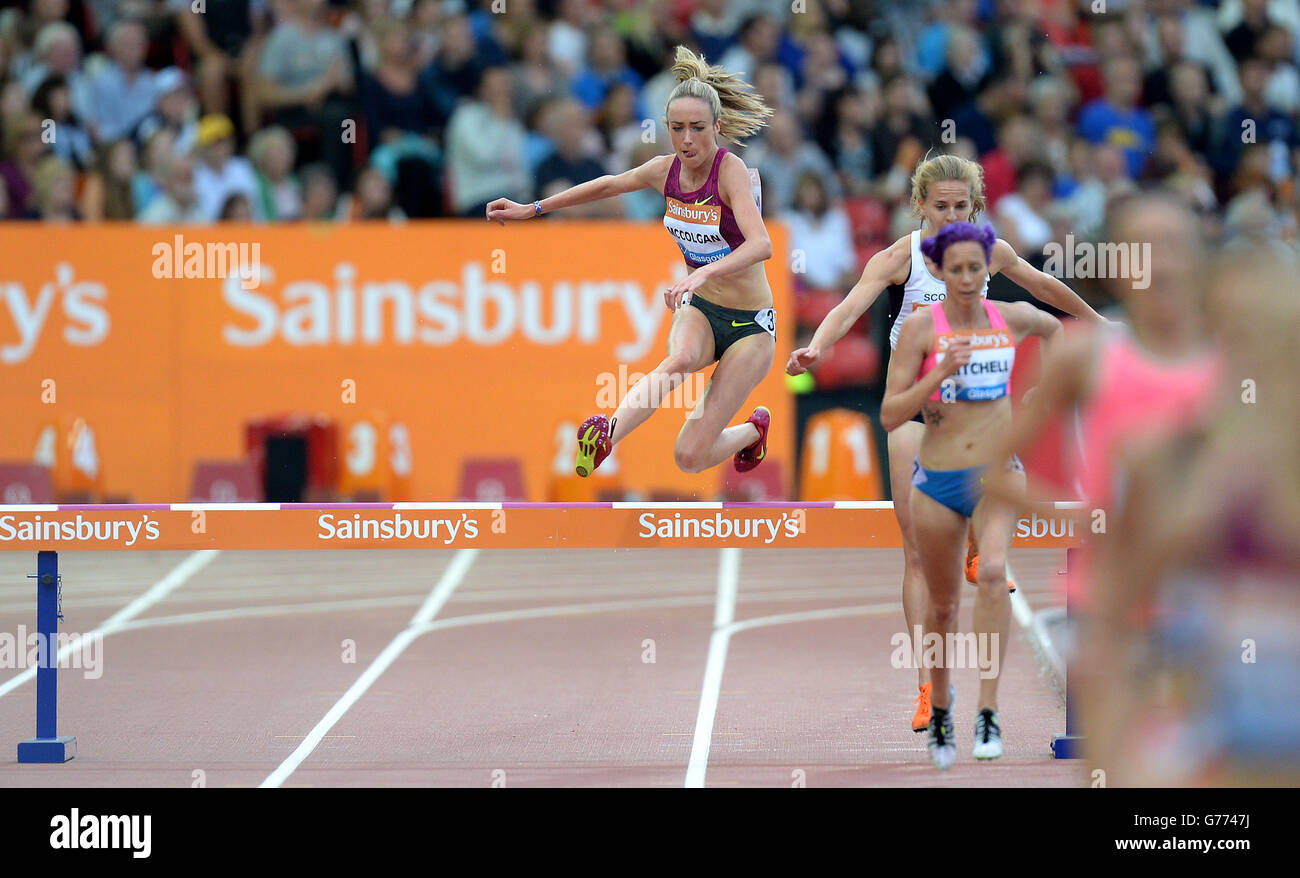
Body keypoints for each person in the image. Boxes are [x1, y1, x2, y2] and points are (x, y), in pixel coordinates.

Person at [786, 153, 1103, 734]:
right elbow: (851, 304)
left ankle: (982, 546)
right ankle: (928, 686)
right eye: (941, 207)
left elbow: (1041, 286)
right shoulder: (899, 258)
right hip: (914, 409)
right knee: (914, 553)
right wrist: (817, 346)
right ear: (920, 208)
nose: (952, 215)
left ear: (975, 209)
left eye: (962, 206)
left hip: (976, 410)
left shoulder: (990, 251)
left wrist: (1095, 321)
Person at [487, 46, 778, 479]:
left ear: (716, 127)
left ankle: (753, 433)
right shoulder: (665, 170)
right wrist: (534, 208)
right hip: (701, 309)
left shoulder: (730, 170)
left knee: (689, 457)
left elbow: (761, 245)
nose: (687, 140)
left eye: (697, 128)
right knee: (677, 361)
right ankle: (608, 435)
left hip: (750, 325)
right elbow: (608, 185)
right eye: (677, 129)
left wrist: (702, 272)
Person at [1082, 244, 1300, 786]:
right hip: (1228, 765)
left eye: (1277, 341)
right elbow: (1107, 632)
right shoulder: (1169, 458)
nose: (1258, 361)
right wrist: (1114, 768)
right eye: (1235, 334)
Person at [880, 221, 1062, 769]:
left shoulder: (1010, 318)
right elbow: (891, 414)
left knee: (991, 571)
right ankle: (940, 705)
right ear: (937, 270)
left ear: (989, 270)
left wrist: (1039, 396)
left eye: (975, 269)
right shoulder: (917, 330)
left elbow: (1054, 329)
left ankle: (988, 711)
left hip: (995, 473)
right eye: (955, 269)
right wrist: (939, 373)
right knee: (941, 605)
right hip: (936, 479)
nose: (966, 279)